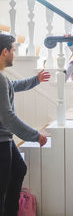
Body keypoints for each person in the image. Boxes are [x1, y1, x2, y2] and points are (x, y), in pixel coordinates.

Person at [0, 34, 50, 216]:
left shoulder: (2, 79)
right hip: (1, 141)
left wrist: (36, 80)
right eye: (13, 50)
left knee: (19, 169)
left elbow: (12, 85)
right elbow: (8, 117)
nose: (14, 53)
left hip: (5, 139)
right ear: (5, 51)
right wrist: (35, 135)